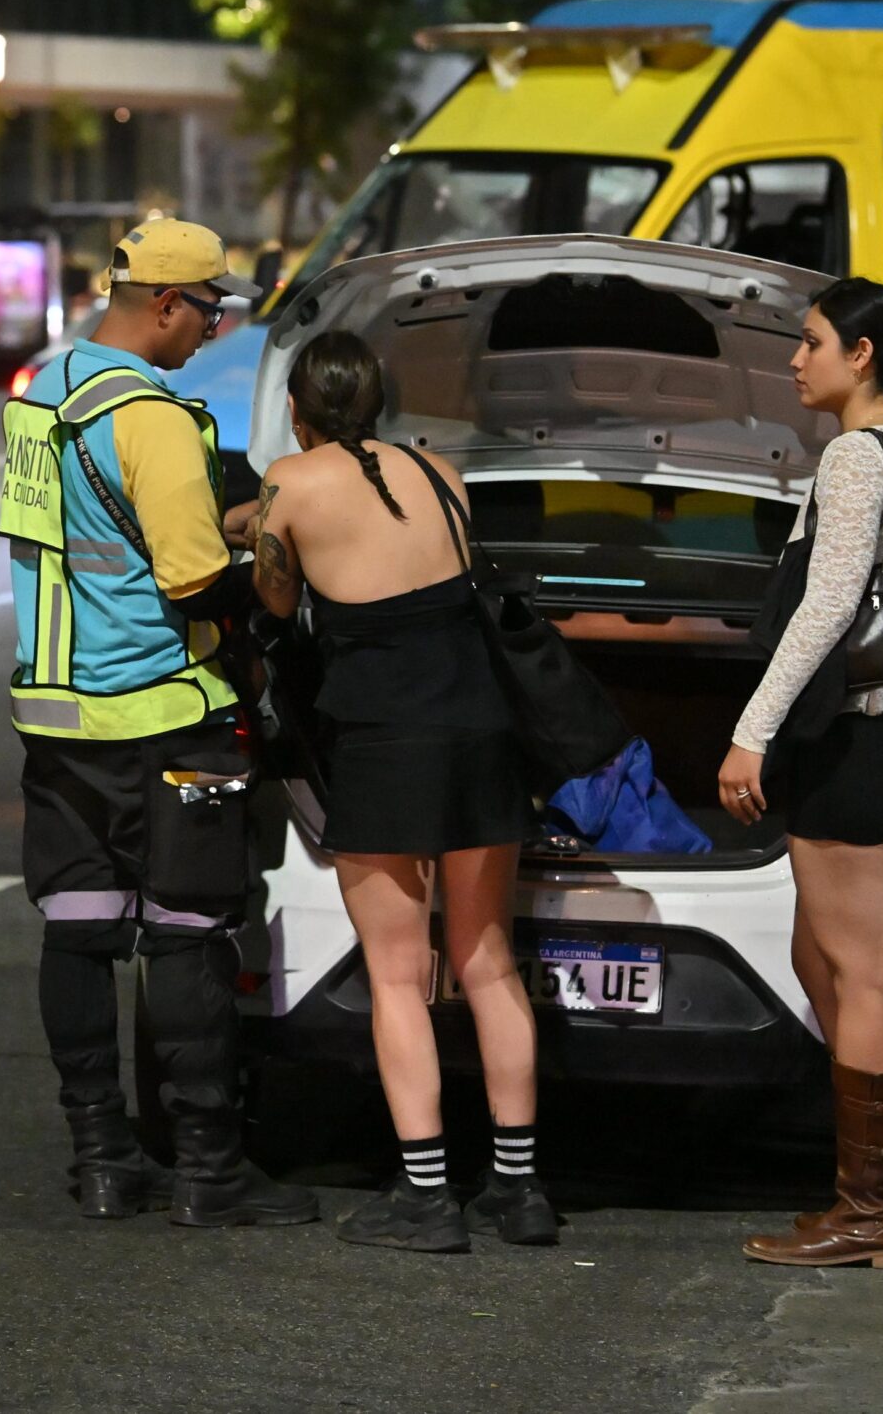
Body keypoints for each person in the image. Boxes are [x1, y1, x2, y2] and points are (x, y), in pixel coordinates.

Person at [0, 219, 316, 1229]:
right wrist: (269, 560)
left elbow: (93, 536)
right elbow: (193, 583)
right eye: (211, 309)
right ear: (166, 303)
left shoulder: (43, 396)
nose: (215, 328)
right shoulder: (151, 416)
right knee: (185, 936)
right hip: (165, 714)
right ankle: (209, 1169)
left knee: (78, 930)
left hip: (59, 717)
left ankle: (102, 1158)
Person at [234, 331, 555, 1252]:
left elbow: (277, 603)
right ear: (378, 403)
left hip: (385, 744)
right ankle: (519, 1189)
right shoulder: (442, 473)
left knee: (398, 974)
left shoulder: (289, 483)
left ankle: (425, 1196)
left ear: (296, 409)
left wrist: (255, 528)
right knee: (489, 962)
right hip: (482, 733)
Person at [719, 278, 883, 1270]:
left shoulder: (858, 455)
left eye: (811, 341)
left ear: (861, 356)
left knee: (860, 972)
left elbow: (826, 607)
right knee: (822, 961)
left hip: (862, 739)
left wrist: (751, 733)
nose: (794, 358)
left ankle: (872, 1212)